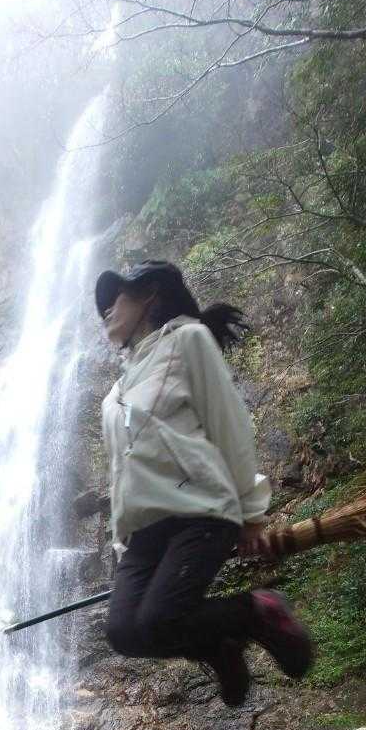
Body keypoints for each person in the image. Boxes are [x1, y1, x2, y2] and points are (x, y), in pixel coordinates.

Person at [95, 260, 313, 706]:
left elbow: (229, 424)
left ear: (150, 294)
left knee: (158, 619)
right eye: (103, 306)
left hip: (200, 510)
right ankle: (220, 647)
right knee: (123, 632)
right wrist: (121, 541)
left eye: (115, 297)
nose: (106, 310)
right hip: (143, 531)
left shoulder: (188, 340)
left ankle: (260, 610)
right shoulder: (113, 397)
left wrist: (251, 513)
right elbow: (119, 471)